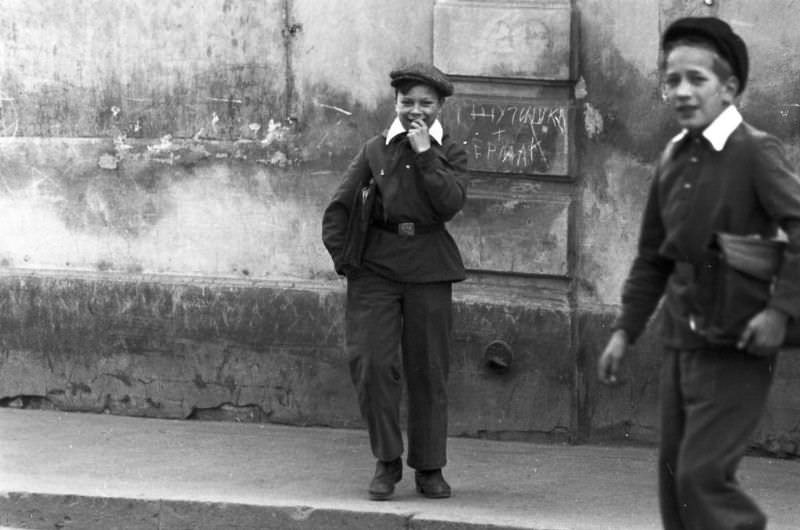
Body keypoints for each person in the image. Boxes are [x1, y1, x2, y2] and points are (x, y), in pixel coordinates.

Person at [597, 17, 800, 530]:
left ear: (729, 88)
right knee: (675, 485)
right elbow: (652, 257)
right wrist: (624, 330)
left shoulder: (756, 151)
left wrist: (780, 311)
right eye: (671, 80)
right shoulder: (672, 157)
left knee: (702, 477)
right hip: (681, 341)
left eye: (696, 79)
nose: (681, 91)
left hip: (737, 342)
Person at [322, 63, 468, 500]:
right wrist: (348, 263)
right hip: (376, 272)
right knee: (372, 363)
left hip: (429, 269)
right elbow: (338, 210)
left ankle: (429, 468)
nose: (415, 111)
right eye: (407, 103)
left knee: (428, 370)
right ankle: (386, 461)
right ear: (396, 104)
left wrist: (426, 153)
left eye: (426, 103)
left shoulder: (451, 152)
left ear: (440, 107)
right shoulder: (374, 150)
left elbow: (449, 204)